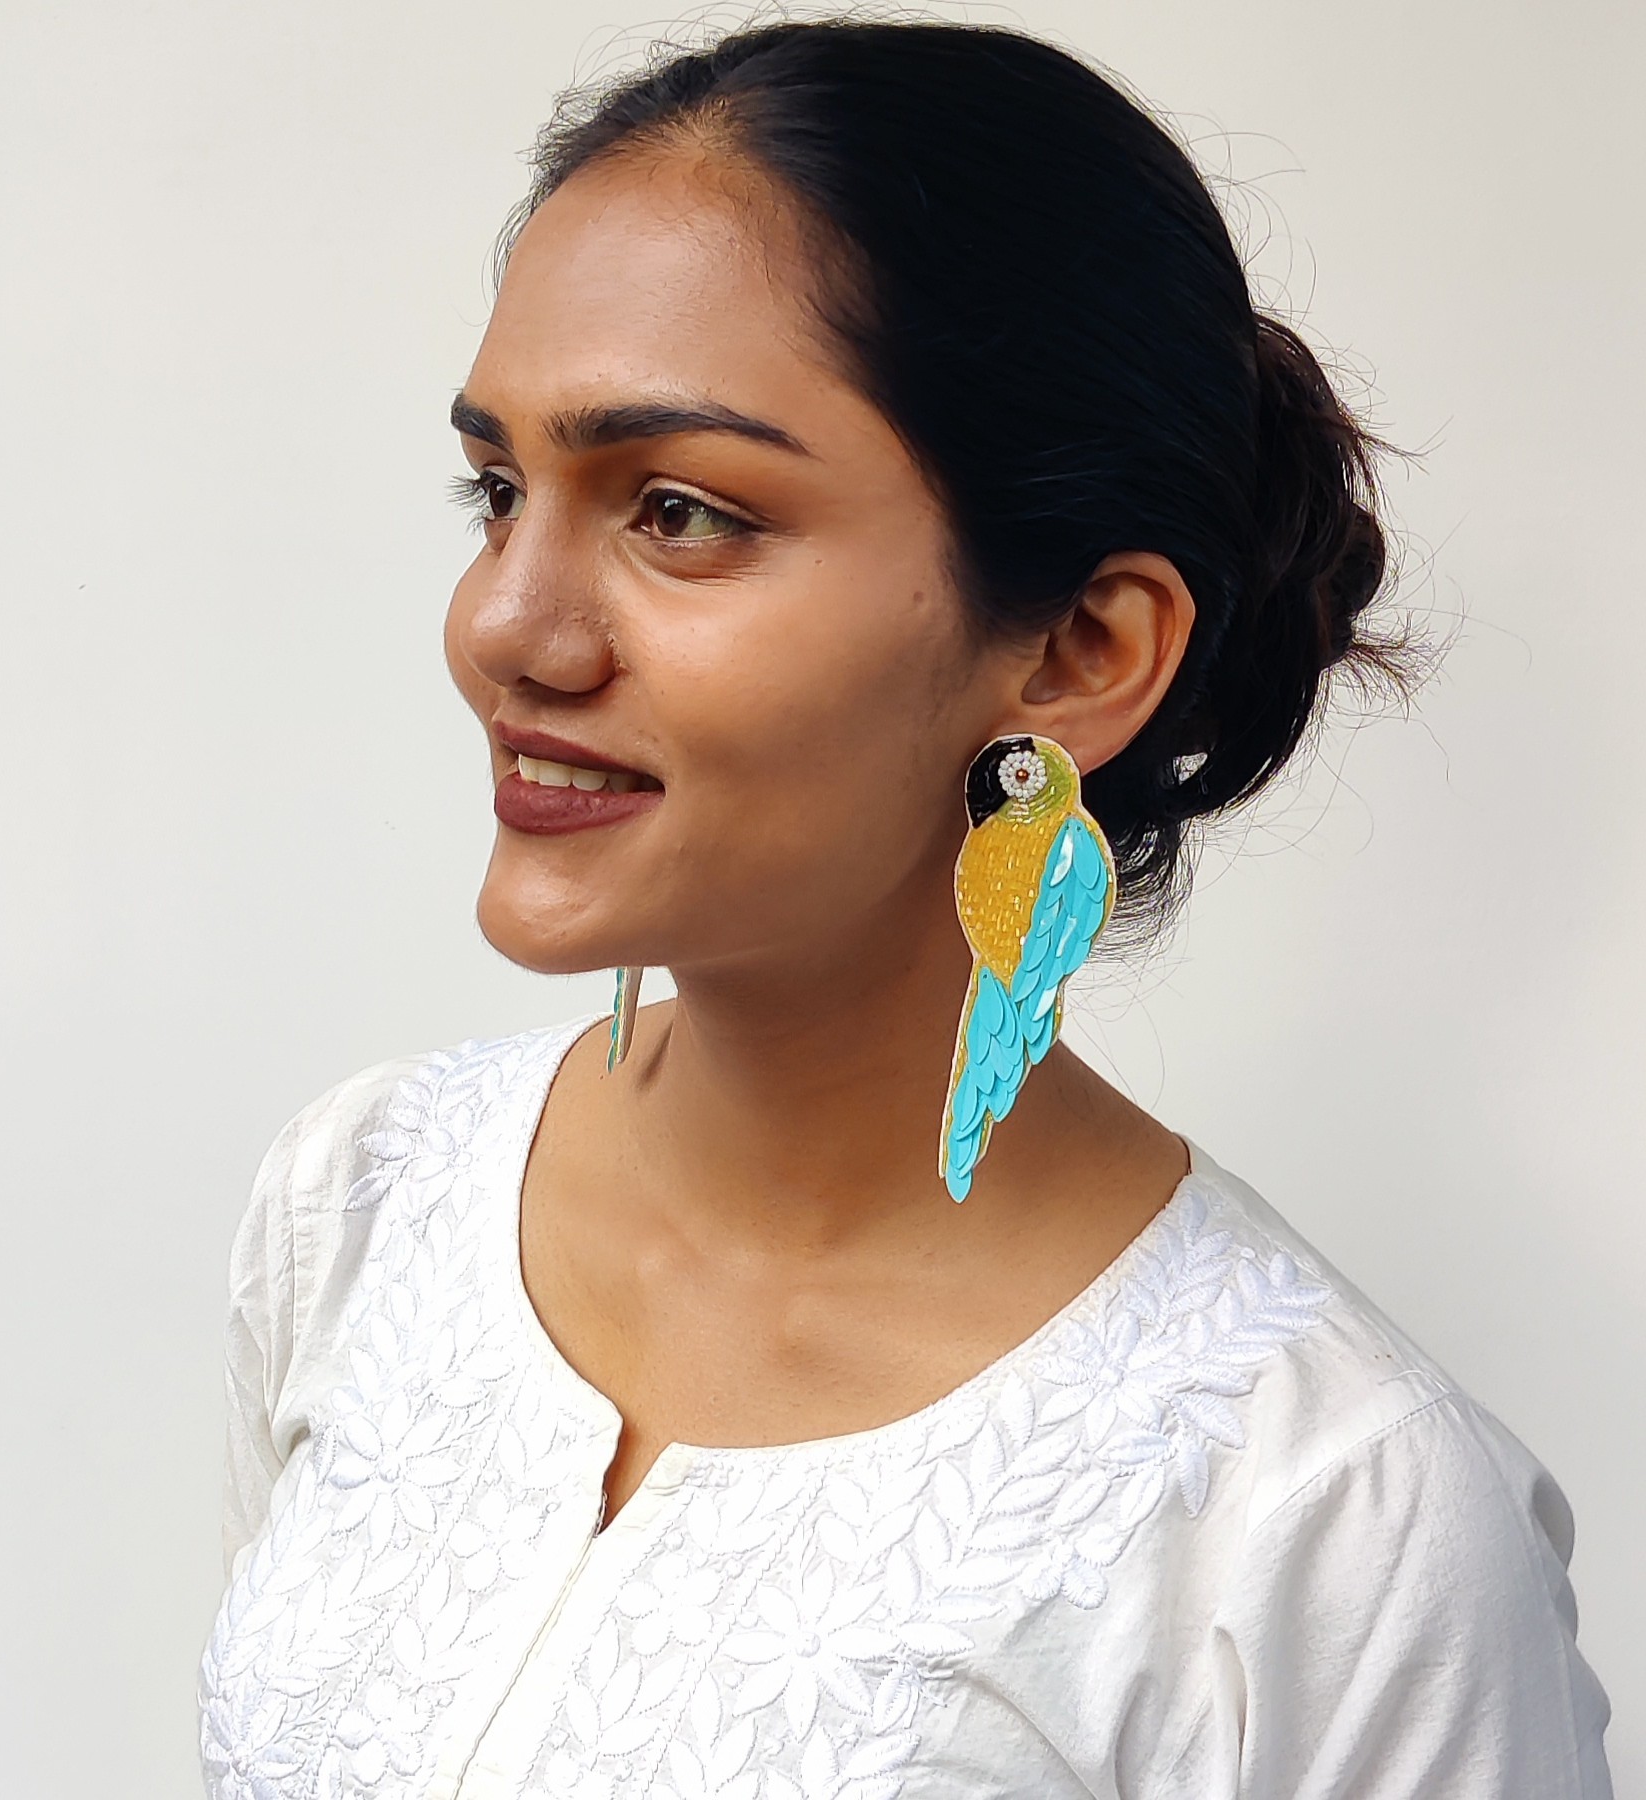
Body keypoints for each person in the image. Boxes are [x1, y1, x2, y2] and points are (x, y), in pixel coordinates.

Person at [197, 16, 1614, 1797]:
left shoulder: (1328, 1515)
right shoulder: (363, 1204)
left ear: (1079, 649)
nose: (507, 626)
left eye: (683, 511)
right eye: (499, 490)